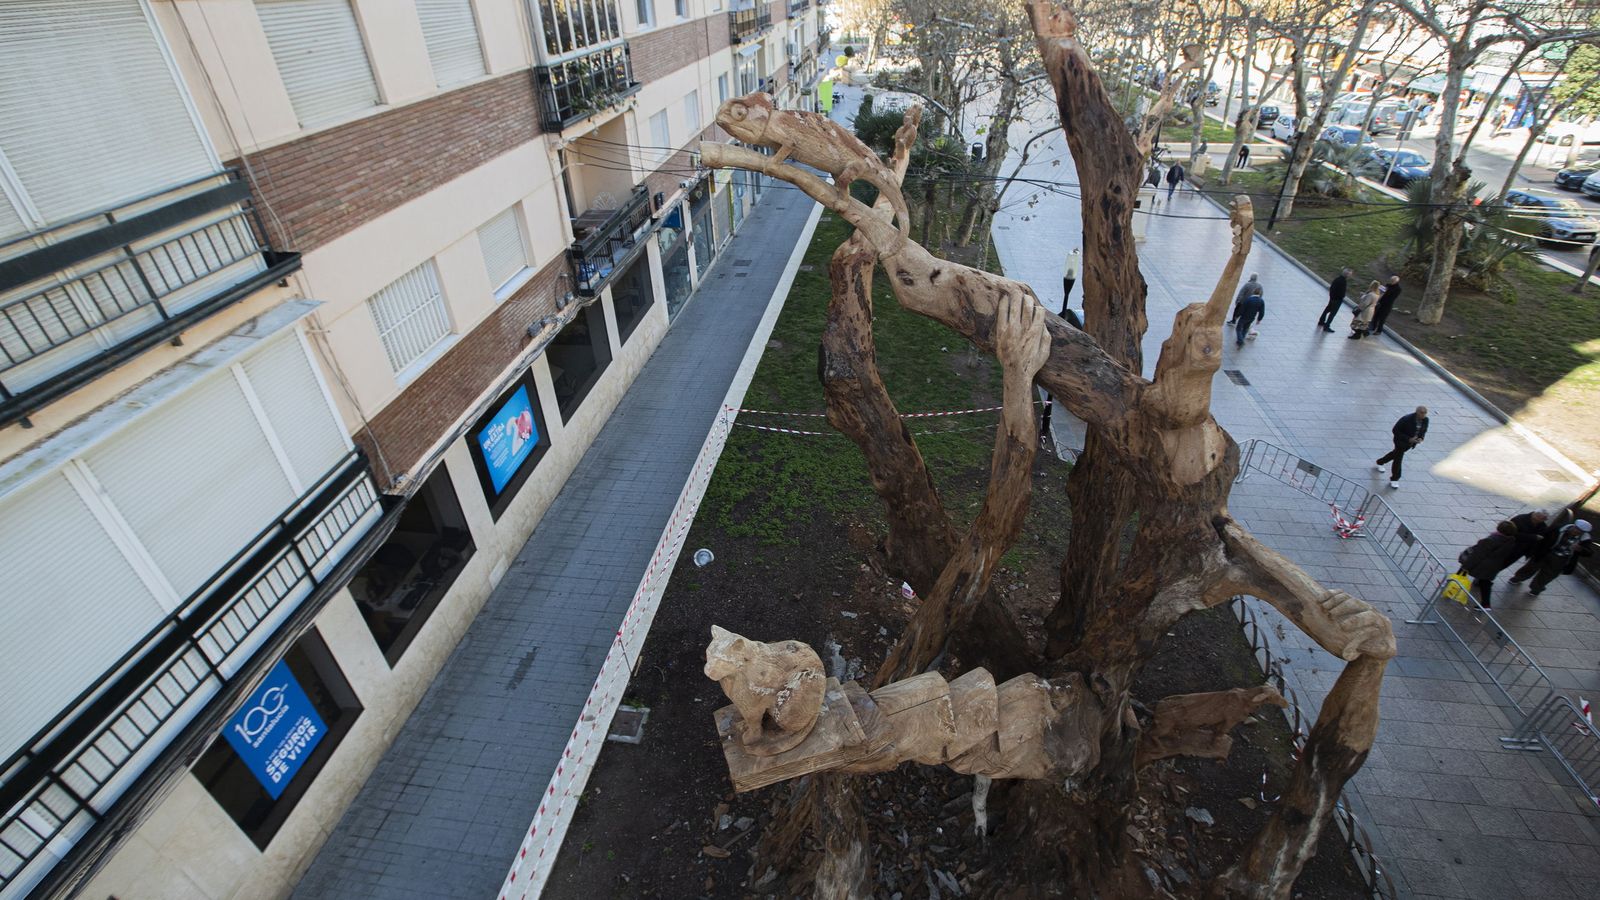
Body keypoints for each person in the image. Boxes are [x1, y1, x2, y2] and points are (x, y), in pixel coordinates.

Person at [1509, 519, 1594, 596]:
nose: (1576, 532)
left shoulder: (1585, 539)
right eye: (1576, 529)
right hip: (1546, 552)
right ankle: (1517, 578)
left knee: (1548, 575)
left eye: (1580, 532)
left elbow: (1589, 552)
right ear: (1574, 526)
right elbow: (1544, 536)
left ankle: (1536, 589)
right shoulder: (1558, 528)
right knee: (1531, 566)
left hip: (1561, 559)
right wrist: (1535, 549)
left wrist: (1580, 549)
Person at [1456, 520, 1522, 608]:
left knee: (1470, 576)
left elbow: (1477, 555)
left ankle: (1452, 586)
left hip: (1483, 565)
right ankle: (1485, 604)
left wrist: (1466, 566)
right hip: (1493, 566)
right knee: (1485, 582)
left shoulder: (1490, 540)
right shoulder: (1510, 540)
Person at [1374, 406, 1428, 488]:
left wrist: (1421, 438)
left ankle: (1380, 462)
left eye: (1425, 413)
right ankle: (1395, 479)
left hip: (1410, 443)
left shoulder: (1426, 420)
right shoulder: (1406, 419)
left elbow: (1423, 430)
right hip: (1400, 442)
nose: (1423, 415)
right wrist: (1409, 439)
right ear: (1417, 412)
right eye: (1422, 413)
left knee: (1395, 454)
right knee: (1398, 458)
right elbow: (1395, 430)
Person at [1318, 267, 1352, 332]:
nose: (1350, 276)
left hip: (1332, 298)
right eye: (1350, 274)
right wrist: (1342, 297)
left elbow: (1332, 288)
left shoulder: (1337, 279)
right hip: (1337, 300)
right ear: (1347, 275)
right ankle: (1327, 326)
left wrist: (1331, 296)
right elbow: (1341, 292)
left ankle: (1321, 321)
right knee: (1332, 313)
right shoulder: (1343, 282)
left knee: (1327, 309)